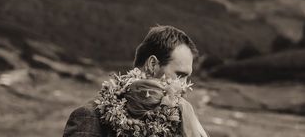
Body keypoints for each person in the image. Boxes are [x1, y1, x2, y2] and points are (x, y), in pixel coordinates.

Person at [62, 25, 203, 137]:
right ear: (152, 65)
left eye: (187, 77)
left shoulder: (181, 120)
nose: (184, 87)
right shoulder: (89, 117)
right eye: (180, 75)